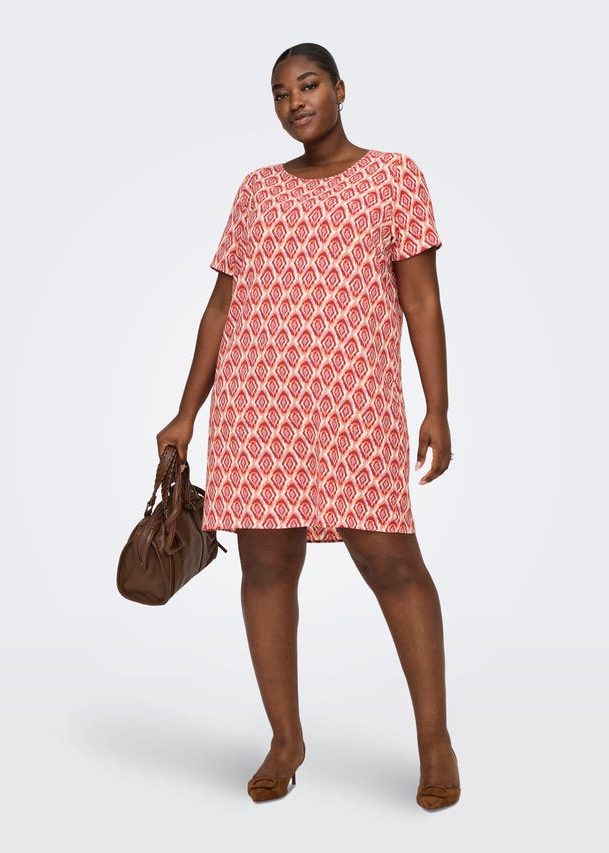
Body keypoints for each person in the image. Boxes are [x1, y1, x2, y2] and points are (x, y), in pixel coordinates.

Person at [156, 42, 460, 811]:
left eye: (309, 84)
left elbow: (420, 299)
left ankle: (435, 740)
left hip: (354, 401)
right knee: (265, 565)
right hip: (258, 403)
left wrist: (437, 405)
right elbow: (221, 307)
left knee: (391, 561)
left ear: (340, 89)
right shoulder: (257, 189)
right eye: (280, 92)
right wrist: (188, 410)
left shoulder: (395, 176)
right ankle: (284, 739)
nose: (295, 101)